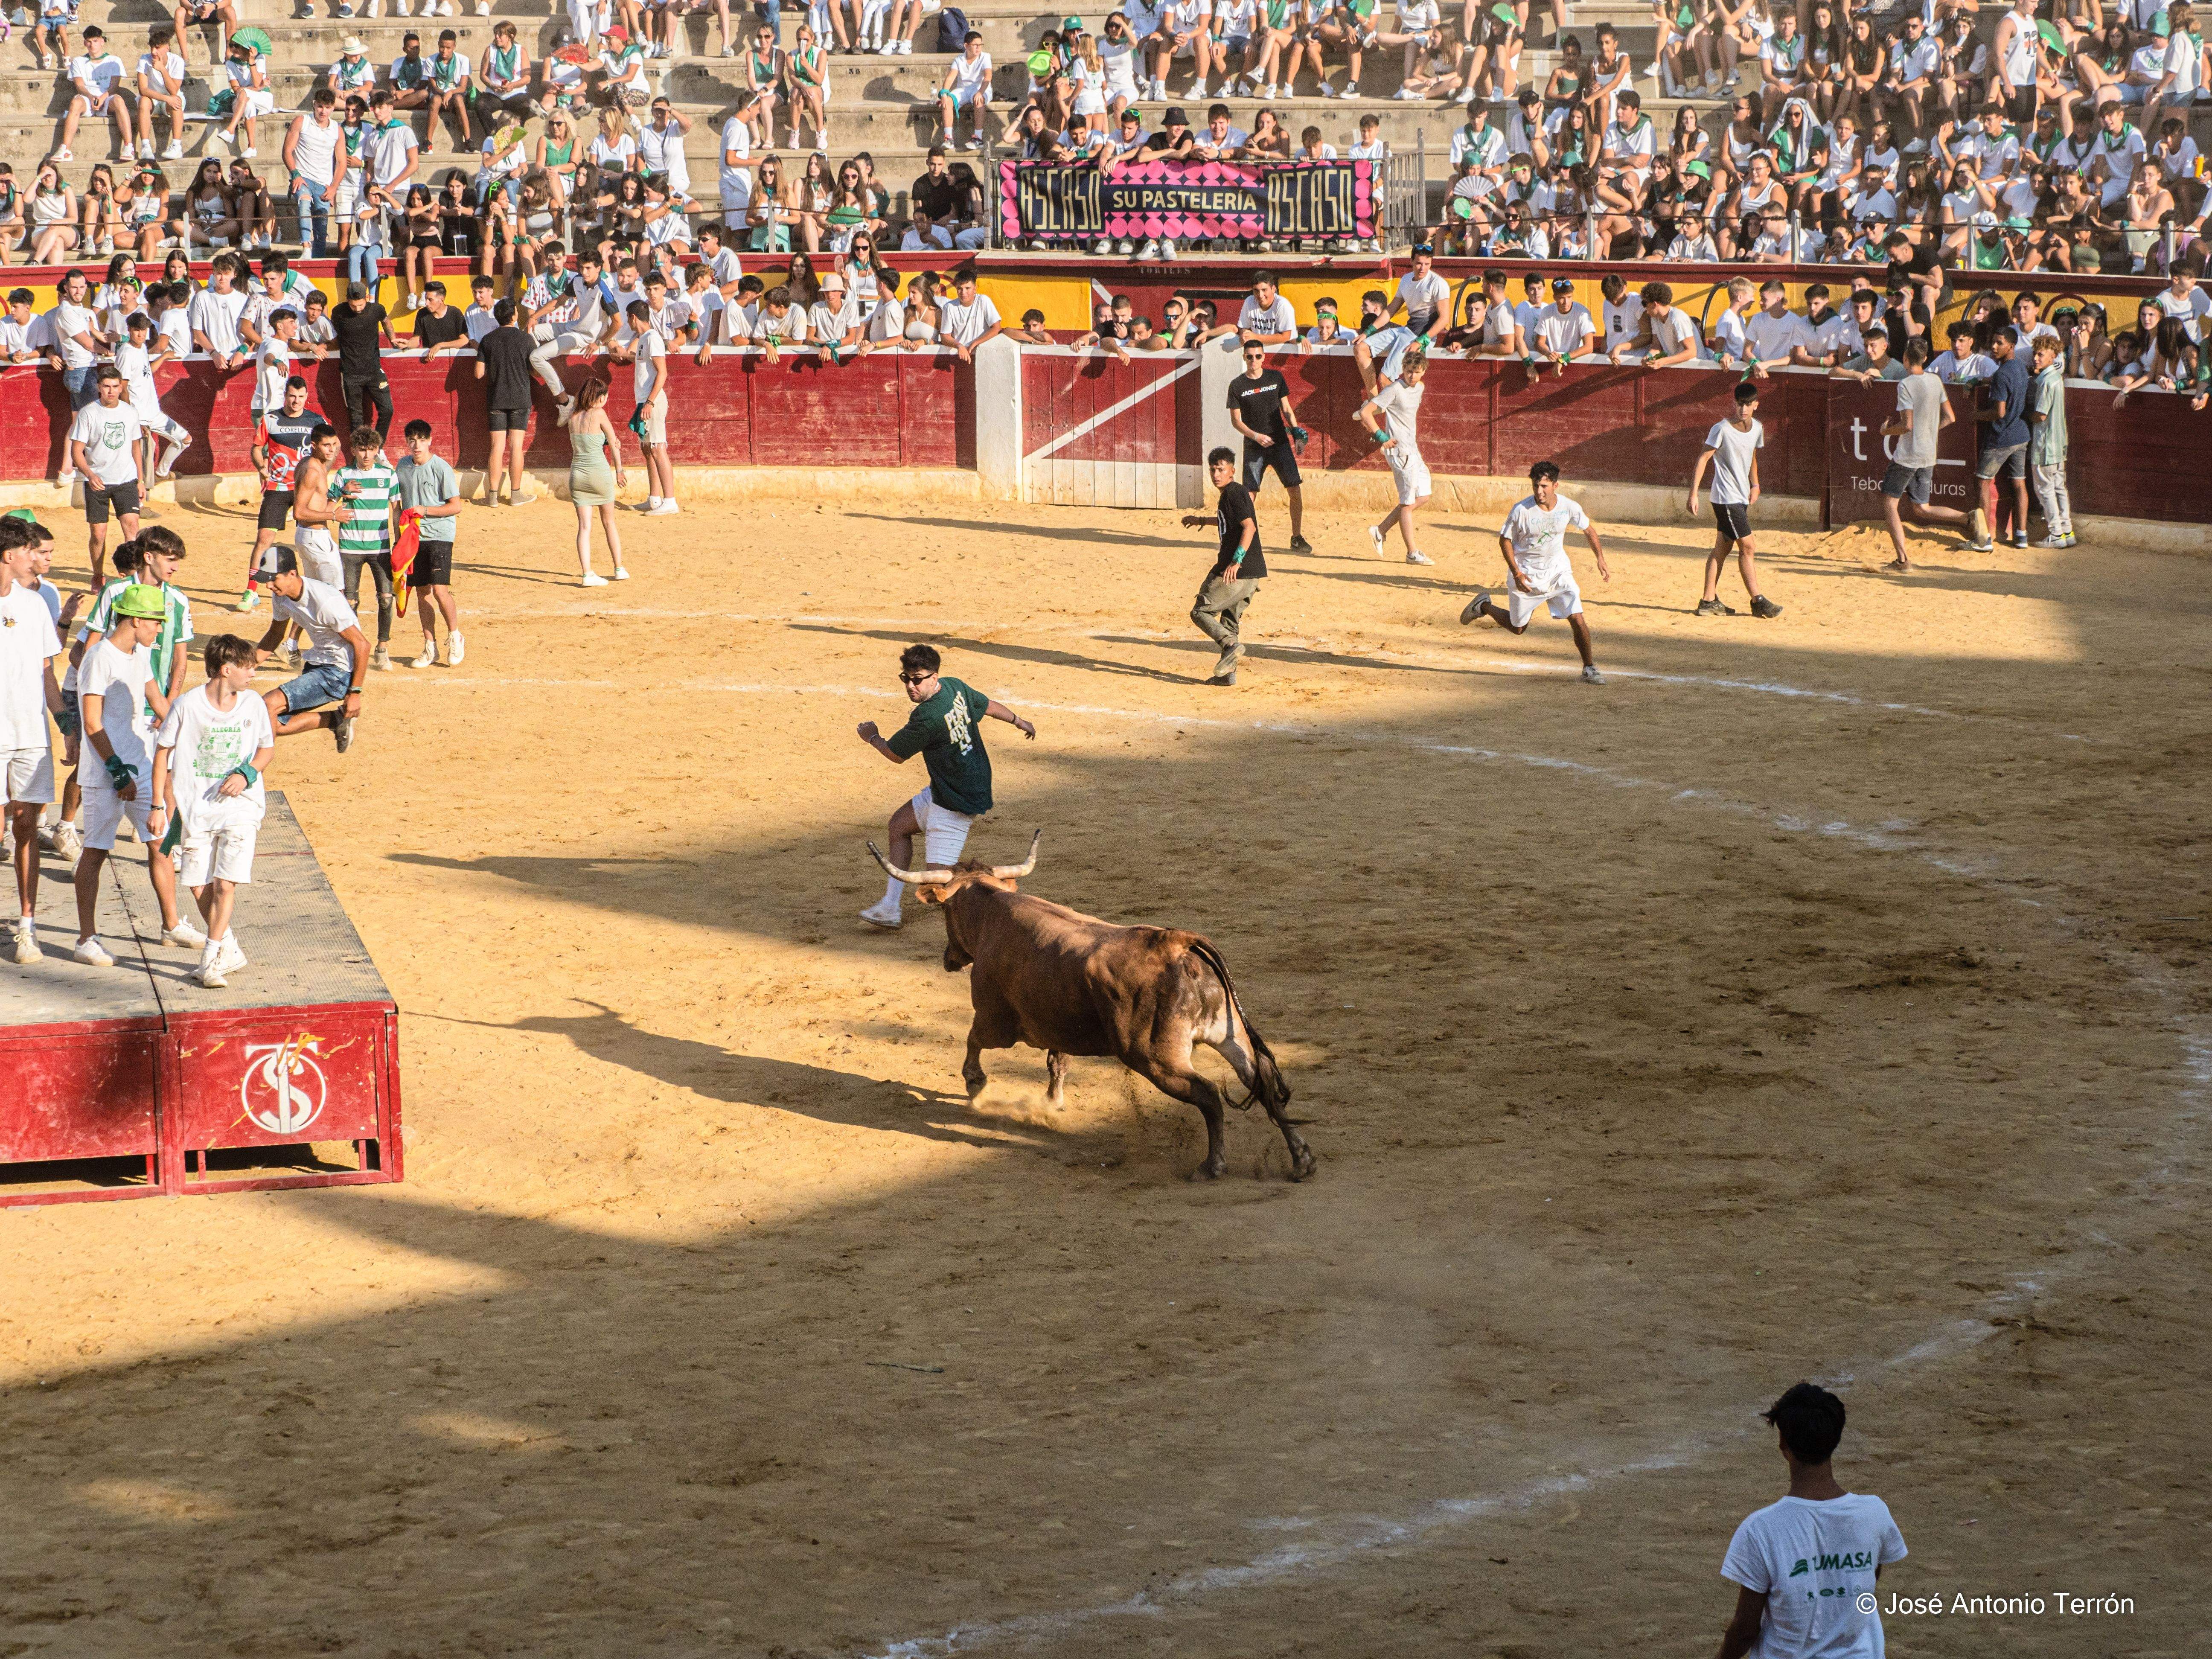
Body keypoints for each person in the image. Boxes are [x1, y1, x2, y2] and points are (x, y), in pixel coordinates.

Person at [1715, 1383, 1907, 1659]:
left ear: (1783, 1443)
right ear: (1836, 1439)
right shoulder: (1874, 1513)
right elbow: (1867, 1577)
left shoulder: (1761, 1530)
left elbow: (1746, 1630)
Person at [855, 643, 1036, 930]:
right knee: (899, 827)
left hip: (955, 802)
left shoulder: (927, 716)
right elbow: (986, 706)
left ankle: (996, 902)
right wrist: (1018, 720)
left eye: (918, 679)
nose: (911, 686)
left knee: (937, 889)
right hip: (948, 789)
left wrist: (873, 737)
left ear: (934, 677)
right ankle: (889, 907)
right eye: (907, 679)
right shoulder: (954, 688)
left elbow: (896, 755)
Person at [69, 582, 199, 968]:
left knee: (163, 842)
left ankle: (171, 925)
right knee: (96, 851)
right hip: (105, 773)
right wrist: (116, 771)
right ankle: (86, 939)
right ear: (137, 620)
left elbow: (159, 702)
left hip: (141, 766)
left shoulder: (140, 654)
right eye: (157, 623)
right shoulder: (98, 658)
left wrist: (192, 731)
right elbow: (93, 722)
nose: (160, 631)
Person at [152, 634, 274, 989]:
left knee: (225, 884)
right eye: (247, 667)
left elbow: (266, 750)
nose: (253, 674)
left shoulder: (253, 704)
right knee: (197, 883)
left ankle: (209, 959)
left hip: (242, 807)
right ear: (226, 669)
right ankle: (228, 947)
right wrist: (158, 804)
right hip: (196, 810)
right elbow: (163, 754)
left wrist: (247, 774)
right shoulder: (188, 705)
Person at [1458, 460, 1612, 686]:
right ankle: (1484, 606)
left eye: (1544, 487)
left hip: (1558, 572)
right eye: (1535, 486)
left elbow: (1589, 529)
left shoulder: (1569, 506)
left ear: (1556, 486)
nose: (1539, 492)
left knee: (1577, 617)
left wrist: (1600, 557)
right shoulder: (1521, 510)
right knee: (1518, 628)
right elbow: (1505, 540)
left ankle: (1589, 668)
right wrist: (1518, 573)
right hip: (1527, 575)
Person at [0, 527, 66, 965]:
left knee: (27, 828)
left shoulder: (35, 604)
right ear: (8, 554)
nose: (35, 557)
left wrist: (68, 725)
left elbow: (47, 672)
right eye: (28, 550)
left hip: (31, 736)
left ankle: (27, 926)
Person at [252, 544, 368, 751]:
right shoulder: (281, 597)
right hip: (317, 664)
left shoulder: (326, 601)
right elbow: (275, 634)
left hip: (339, 672)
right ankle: (336, 720)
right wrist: (248, 666)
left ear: (292, 574)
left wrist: (355, 693)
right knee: (274, 725)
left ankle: (255, 773)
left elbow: (362, 644)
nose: (269, 585)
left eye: (273, 579)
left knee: (268, 704)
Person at [1686, 382, 1783, 619]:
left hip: (1740, 497)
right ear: (1734, 403)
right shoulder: (1721, 429)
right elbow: (1703, 459)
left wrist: (1756, 484)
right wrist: (1693, 493)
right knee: (1748, 546)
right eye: (1740, 404)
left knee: (1723, 547)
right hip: (1726, 498)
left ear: (1756, 405)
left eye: (1748, 404)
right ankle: (1757, 600)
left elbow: (1752, 457)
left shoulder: (1757, 428)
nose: (1743, 409)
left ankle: (1708, 601)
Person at [1877, 336, 1971, 573]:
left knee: (1890, 504)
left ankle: (1902, 561)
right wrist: (1929, 432)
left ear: (1906, 358)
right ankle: (1969, 519)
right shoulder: (1936, 381)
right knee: (1922, 508)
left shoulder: (1906, 384)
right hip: (1929, 454)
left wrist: (1886, 431)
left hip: (1908, 456)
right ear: (1926, 358)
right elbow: (1950, 417)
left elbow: (1907, 425)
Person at [1180, 446, 1265, 687]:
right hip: (1253, 575)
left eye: (1221, 469)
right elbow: (1228, 520)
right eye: (1213, 470)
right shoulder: (1233, 493)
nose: (1216, 474)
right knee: (1230, 622)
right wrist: (1201, 521)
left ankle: (1230, 645)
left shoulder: (1233, 493)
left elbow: (1249, 527)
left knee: (1200, 612)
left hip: (1236, 571)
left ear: (1232, 471)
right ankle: (1228, 675)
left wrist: (1236, 562)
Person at [241, 375, 320, 612]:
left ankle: (313, 586)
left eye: (301, 397)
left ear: (307, 397)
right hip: (277, 488)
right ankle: (251, 590)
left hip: (305, 490)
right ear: (285, 395)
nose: (296, 401)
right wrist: (261, 467)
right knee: (264, 540)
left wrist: (321, 474)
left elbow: (330, 447)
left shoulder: (317, 421)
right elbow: (256, 448)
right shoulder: (271, 419)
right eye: (292, 396)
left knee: (312, 541)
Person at [1227, 340, 1313, 554]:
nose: (1254, 361)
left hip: (1280, 443)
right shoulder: (1237, 385)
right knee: (1250, 494)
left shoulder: (1276, 378)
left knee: (1294, 489)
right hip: (1255, 446)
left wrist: (1297, 435)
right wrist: (1256, 437)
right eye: (1249, 357)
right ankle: (1243, 539)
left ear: (1264, 357)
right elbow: (1236, 422)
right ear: (1244, 357)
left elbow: (1287, 409)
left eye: (1258, 356)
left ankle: (1297, 536)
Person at [394, 419, 464, 668]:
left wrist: (426, 510)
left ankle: (455, 636)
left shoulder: (441, 468)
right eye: (412, 440)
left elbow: (456, 506)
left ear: (430, 441)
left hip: (440, 535)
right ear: (407, 442)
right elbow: (398, 508)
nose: (417, 445)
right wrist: (398, 540)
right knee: (422, 592)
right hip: (413, 538)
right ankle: (429, 646)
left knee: (439, 590)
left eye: (422, 440)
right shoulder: (401, 466)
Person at [331, 426, 400, 670]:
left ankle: (382, 648)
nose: (367, 455)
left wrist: (400, 540)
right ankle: (356, 648)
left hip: (381, 546)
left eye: (372, 450)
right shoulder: (343, 475)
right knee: (350, 603)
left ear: (378, 450)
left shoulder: (389, 475)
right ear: (353, 451)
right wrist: (341, 492)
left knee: (386, 598)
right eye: (362, 450)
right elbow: (329, 507)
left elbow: (397, 510)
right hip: (350, 546)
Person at [69, 367, 145, 588]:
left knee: (132, 527)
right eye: (106, 387)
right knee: (98, 535)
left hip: (126, 480)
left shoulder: (130, 412)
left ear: (121, 388)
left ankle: (134, 576)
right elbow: (77, 451)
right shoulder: (88, 413)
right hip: (98, 482)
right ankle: (97, 574)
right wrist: (90, 474)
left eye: (115, 387)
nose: (111, 392)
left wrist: (141, 480)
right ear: (99, 388)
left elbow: (136, 447)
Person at [1358, 349, 1433, 565]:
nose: (1412, 376)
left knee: (1423, 496)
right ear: (1403, 370)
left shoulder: (1420, 387)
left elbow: (1385, 410)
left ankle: (1380, 530)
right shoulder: (1394, 390)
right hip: (1400, 452)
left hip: (1414, 451)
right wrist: (1382, 436)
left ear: (1423, 372)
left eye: (1417, 372)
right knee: (1408, 504)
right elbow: (1366, 414)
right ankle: (1412, 553)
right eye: (1409, 371)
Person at [558, 377, 629, 587]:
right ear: (600, 397)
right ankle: (619, 569)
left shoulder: (573, 415)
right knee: (609, 523)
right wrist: (620, 470)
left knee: (584, 527)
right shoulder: (599, 414)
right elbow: (613, 443)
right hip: (599, 473)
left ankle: (587, 574)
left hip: (578, 475)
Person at [610, 297, 677, 514]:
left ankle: (670, 501)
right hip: (645, 400)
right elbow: (642, 363)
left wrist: (650, 402)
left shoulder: (652, 338)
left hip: (652, 401)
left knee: (658, 448)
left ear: (633, 317)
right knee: (648, 449)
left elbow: (663, 372)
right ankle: (655, 499)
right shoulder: (644, 339)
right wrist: (621, 353)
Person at [473, 296, 538, 507]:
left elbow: (478, 374)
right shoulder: (526, 339)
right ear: (514, 316)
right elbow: (535, 369)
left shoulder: (488, 340)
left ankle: (492, 496)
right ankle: (516, 494)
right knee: (516, 447)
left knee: (497, 447)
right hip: (520, 397)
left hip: (496, 399)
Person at [1970, 324, 2029, 551]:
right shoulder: (2020, 368)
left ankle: (1984, 539)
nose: (1994, 347)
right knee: (2019, 483)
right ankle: (2021, 535)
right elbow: (2003, 382)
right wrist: (1982, 380)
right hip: (2021, 435)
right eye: (1993, 342)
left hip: (2001, 437)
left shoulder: (2003, 374)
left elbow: (1999, 412)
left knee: (1983, 481)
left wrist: (1977, 415)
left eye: (2000, 344)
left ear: (2011, 346)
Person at [333, 281, 397, 442]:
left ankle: (378, 449)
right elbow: (332, 335)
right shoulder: (338, 312)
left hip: (374, 370)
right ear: (347, 300)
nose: (358, 309)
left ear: (367, 298)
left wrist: (393, 339)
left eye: (361, 305)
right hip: (350, 374)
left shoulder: (377, 309)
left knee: (387, 410)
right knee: (356, 418)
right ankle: (360, 456)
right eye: (354, 306)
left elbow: (386, 321)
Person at [2026, 333, 2072, 550]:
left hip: (2045, 445)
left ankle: (2055, 533)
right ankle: (2067, 530)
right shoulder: (2056, 378)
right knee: (2059, 487)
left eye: (2040, 354)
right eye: (2035, 354)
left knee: (2045, 490)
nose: (2036, 358)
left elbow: (2041, 415)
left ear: (2053, 356)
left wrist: (2023, 414)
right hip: (2059, 443)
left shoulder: (2046, 381)